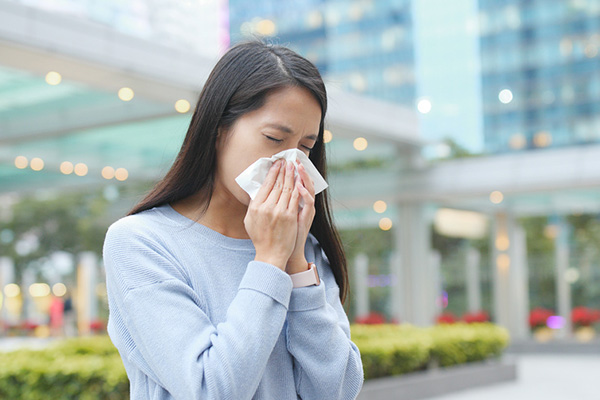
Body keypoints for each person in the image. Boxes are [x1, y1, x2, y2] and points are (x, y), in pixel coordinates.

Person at [102, 41, 364, 400]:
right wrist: (270, 259)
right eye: (274, 138)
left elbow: (336, 391)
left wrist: (295, 263)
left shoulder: (303, 247)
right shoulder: (141, 243)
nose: (290, 161)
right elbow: (212, 390)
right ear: (218, 128)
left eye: (305, 146)